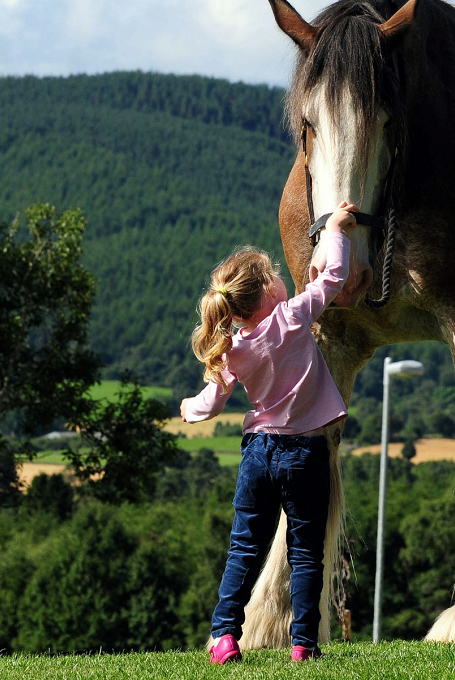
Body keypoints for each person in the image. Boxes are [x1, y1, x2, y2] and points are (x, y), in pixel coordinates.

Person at [182, 201, 358, 664]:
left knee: (244, 547)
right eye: (277, 275)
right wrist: (337, 228)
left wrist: (188, 408)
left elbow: (210, 402)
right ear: (267, 290)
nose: (285, 279)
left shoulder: (232, 348)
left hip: (257, 454)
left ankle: (224, 637)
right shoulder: (294, 317)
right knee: (305, 553)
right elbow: (333, 279)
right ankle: (303, 644)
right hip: (305, 453)